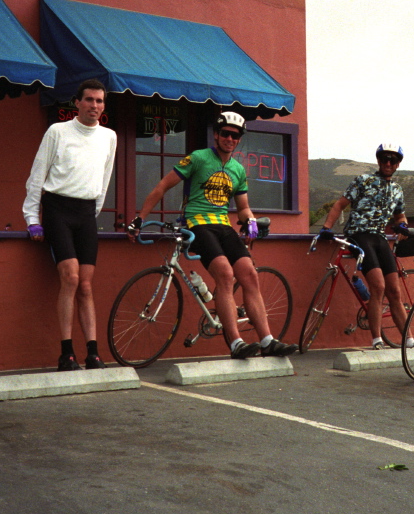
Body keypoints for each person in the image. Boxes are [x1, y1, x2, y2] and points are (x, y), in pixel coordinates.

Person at [126, 112, 297, 359]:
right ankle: (236, 344)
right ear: (216, 135)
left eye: (235, 135)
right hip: (197, 224)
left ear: (239, 139)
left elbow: (242, 207)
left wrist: (249, 222)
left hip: (223, 225)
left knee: (249, 275)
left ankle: (267, 341)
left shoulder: (238, 169)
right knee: (226, 275)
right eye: (225, 133)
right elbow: (162, 186)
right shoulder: (198, 158)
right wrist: (139, 219)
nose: (229, 138)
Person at [22, 79, 117, 371]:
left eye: (99, 101)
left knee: (86, 286)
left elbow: (104, 179)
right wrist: (32, 219)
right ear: (76, 103)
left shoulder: (109, 136)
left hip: (86, 213)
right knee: (71, 279)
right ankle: (66, 353)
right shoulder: (57, 131)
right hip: (58, 209)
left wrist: (94, 212)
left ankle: (93, 352)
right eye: (89, 100)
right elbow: (38, 174)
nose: (94, 106)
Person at [317, 143, 414, 350]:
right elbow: (339, 205)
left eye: (393, 160)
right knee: (378, 287)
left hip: (380, 238)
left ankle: (409, 339)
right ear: (378, 160)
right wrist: (326, 228)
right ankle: (376, 339)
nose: (388, 163)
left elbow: (400, 216)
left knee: (395, 292)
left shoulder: (397, 190)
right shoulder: (363, 180)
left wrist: (403, 226)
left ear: (398, 164)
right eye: (384, 159)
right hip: (358, 235)